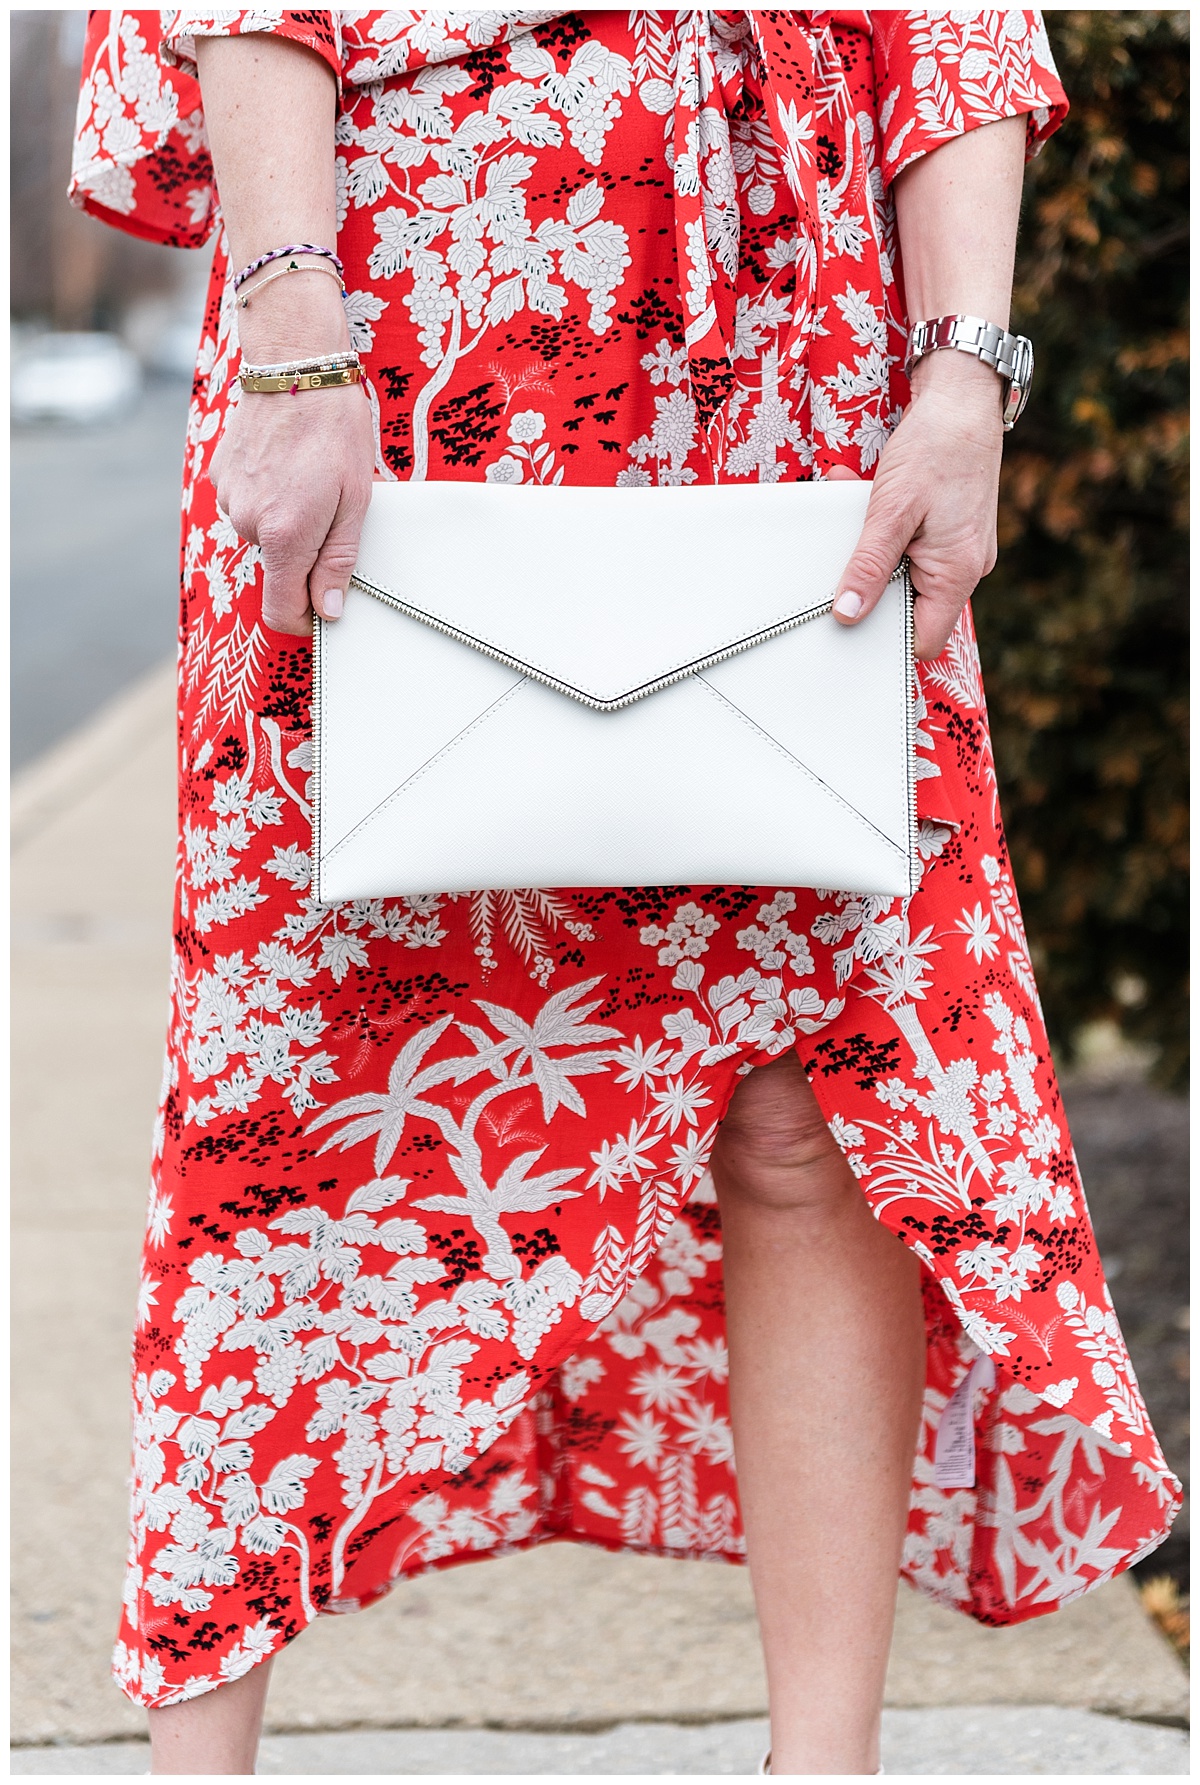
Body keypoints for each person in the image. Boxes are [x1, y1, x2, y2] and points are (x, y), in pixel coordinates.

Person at [70, 12, 1177, 1776]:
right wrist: (292, 329)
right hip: (396, 353)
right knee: (277, 1116)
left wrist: (966, 373)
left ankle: (828, 1768)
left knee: (822, 1099)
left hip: (793, 375)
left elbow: (954, 24)